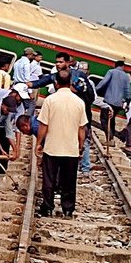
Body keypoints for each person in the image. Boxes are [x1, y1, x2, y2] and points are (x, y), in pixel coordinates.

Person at [36, 70, 87, 218]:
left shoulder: (50, 100)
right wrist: (80, 145)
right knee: (69, 181)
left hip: (52, 147)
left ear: (56, 83)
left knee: (49, 180)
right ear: (70, 82)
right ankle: (68, 208)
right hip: (71, 149)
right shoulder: (79, 102)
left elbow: (43, 125)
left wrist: (39, 143)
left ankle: (48, 206)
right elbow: (81, 128)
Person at [28, 52, 95, 124]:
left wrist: (83, 105)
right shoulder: (54, 76)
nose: (57, 64)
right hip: (63, 111)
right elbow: (38, 83)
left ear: (67, 63)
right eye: (56, 62)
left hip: (79, 112)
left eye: (60, 62)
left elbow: (90, 95)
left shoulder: (79, 75)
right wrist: (25, 83)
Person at [96, 60, 131, 145]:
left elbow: (103, 82)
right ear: (123, 66)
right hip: (118, 103)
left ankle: (110, 139)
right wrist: (127, 100)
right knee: (112, 119)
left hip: (109, 100)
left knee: (104, 120)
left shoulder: (111, 72)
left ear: (115, 65)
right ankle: (111, 139)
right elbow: (128, 91)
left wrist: (95, 89)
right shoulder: (126, 76)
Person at [13, 47, 36, 114]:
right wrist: (30, 92)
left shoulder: (17, 62)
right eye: (33, 55)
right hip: (23, 86)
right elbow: (27, 79)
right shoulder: (26, 63)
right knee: (31, 104)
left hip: (16, 85)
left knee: (17, 104)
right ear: (29, 55)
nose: (33, 57)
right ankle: (26, 120)